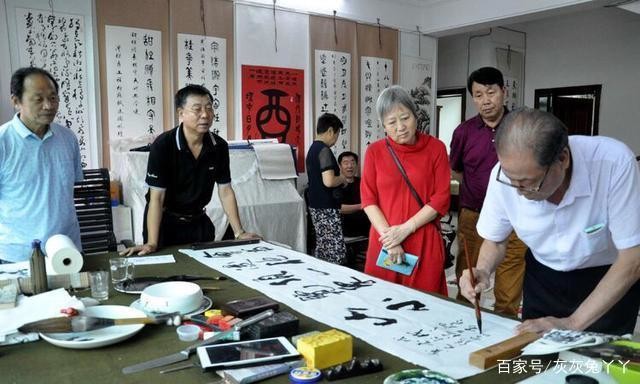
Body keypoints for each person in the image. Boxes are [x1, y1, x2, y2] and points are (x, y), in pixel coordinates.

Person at [460, 107, 640, 335]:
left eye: (528, 183)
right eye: (511, 180)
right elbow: (495, 241)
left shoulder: (613, 163)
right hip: (543, 280)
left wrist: (571, 323)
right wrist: (484, 270)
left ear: (562, 159)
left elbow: (632, 260)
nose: (517, 191)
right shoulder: (506, 175)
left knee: (598, 366)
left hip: (606, 282)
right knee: (537, 360)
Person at [122, 85, 257, 256]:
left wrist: (239, 233)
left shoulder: (219, 146)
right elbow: (157, 198)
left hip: (198, 222)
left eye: (209, 108)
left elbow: (225, 191)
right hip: (165, 224)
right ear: (181, 113)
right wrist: (151, 243)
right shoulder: (163, 145)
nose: (205, 115)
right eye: (197, 109)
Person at [449, 67, 526, 316]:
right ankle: (463, 319)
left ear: (503, 91)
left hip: (516, 217)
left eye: (491, 92)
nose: (485, 100)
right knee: (470, 272)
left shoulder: (521, 127)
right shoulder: (464, 132)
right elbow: (457, 171)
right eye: (478, 95)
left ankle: (505, 322)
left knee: (511, 270)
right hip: (474, 213)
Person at [361, 85, 450, 294]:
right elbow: (368, 199)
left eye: (405, 117)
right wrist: (390, 240)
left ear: (415, 116)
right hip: (385, 241)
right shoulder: (375, 152)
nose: (400, 126)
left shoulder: (436, 148)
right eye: (392, 122)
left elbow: (441, 198)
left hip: (423, 239)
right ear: (383, 125)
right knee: (381, 303)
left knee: (424, 305)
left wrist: (405, 229)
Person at [0, 67, 83, 263]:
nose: (48, 105)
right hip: (17, 256)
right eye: (38, 99)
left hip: (67, 249)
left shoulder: (67, 138)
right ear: (16, 101)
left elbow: (69, 191)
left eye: (53, 98)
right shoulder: (3, 142)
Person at [306, 113, 349, 264]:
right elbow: (329, 181)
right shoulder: (324, 150)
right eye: (337, 135)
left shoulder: (312, 149)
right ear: (330, 131)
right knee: (334, 252)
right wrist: (343, 179)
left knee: (323, 248)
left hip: (316, 206)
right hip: (327, 208)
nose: (336, 140)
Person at [337, 151, 370, 238]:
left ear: (356, 165)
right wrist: (362, 205)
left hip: (366, 224)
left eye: (352, 162)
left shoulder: (362, 182)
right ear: (340, 166)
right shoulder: (336, 184)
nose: (349, 166)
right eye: (346, 163)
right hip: (346, 227)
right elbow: (338, 208)